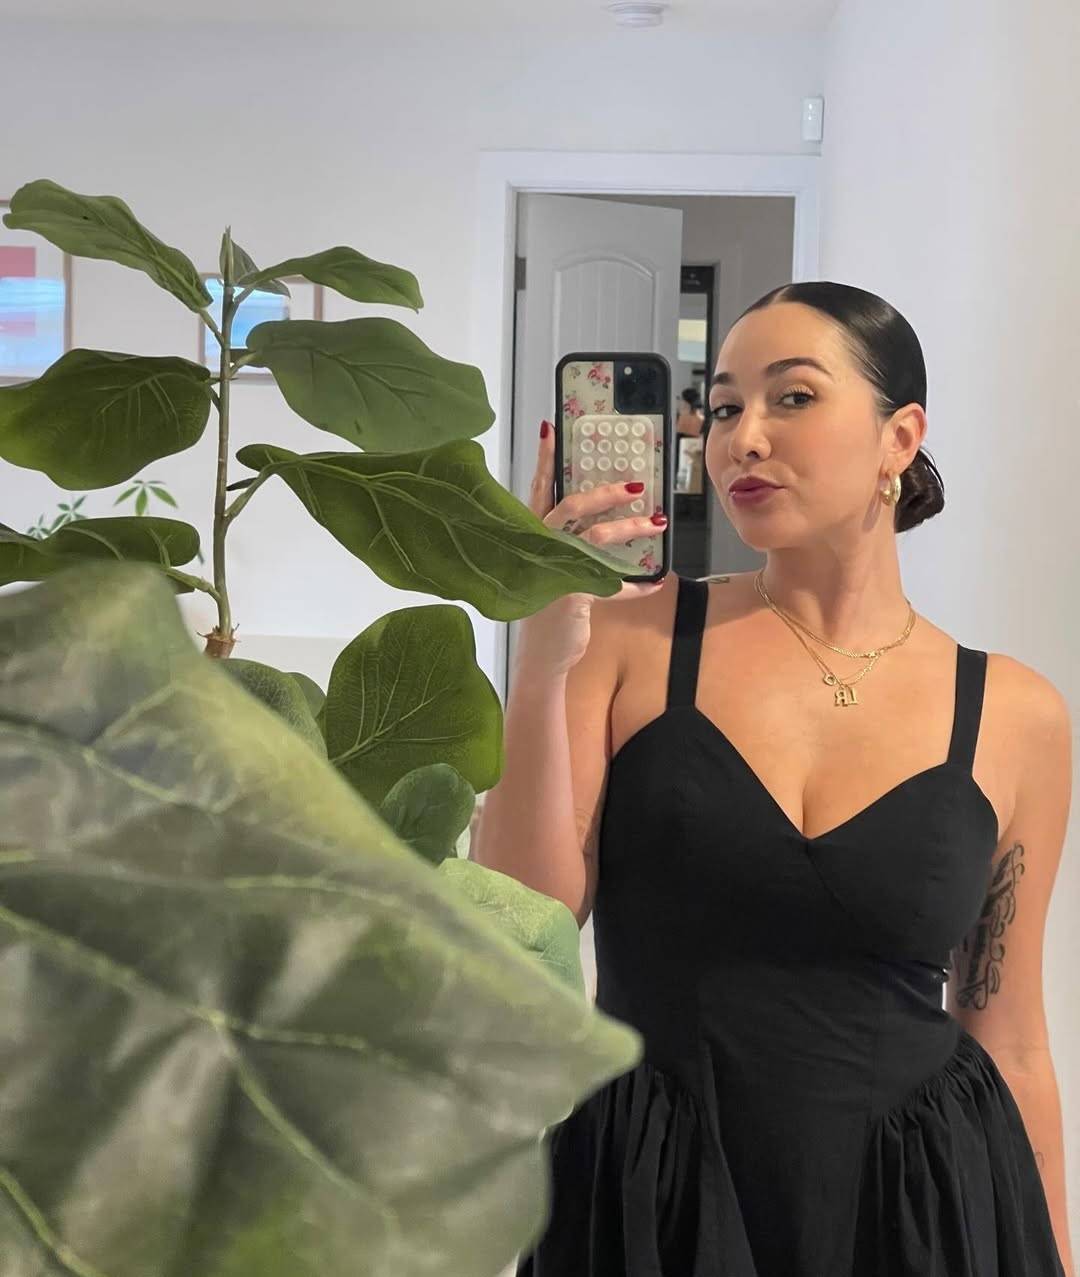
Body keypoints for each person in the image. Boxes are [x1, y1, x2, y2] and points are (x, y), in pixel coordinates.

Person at [471, 281, 1074, 1276]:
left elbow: (1008, 1038)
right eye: (722, 407)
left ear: (899, 437)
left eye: (793, 397)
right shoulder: (627, 639)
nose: (741, 439)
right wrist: (539, 658)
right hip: (650, 1195)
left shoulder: (1014, 712)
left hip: (915, 1208)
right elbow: (522, 915)